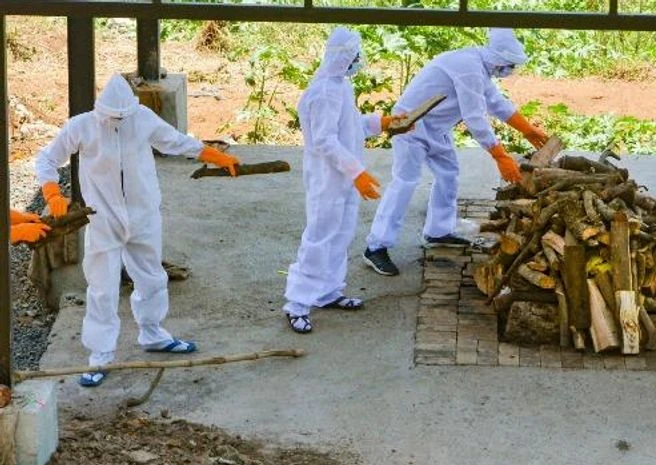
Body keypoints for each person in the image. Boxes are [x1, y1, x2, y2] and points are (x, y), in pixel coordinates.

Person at [35, 73, 240, 386]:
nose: (118, 122)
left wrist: (212, 154)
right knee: (102, 289)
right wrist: (51, 191)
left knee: (152, 277)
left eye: (123, 116)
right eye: (112, 117)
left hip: (143, 216)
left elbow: (175, 141)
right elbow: (47, 158)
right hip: (103, 220)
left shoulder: (142, 118)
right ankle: (100, 357)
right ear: (101, 110)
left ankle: (154, 334)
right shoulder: (83, 126)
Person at [362, 28, 549, 276]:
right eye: (509, 66)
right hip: (411, 125)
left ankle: (438, 231)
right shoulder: (468, 66)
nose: (509, 71)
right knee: (405, 182)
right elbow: (474, 117)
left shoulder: (480, 69)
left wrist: (527, 129)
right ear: (498, 59)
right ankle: (375, 247)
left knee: (449, 174)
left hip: (436, 128)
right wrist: (500, 155)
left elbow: (496, 103)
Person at [281, 27, 411, 334]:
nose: (359, 60)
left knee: (340, 235)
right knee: (319, 238)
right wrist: (357, 173)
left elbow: (350, 128)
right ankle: (297, 304)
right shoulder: (324, 92)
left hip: (344, 179)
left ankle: (328, 292)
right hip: (328, 179)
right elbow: (325, 141)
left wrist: (383, 123)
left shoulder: (341, 87)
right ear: (343, 57)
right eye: (355, 55)